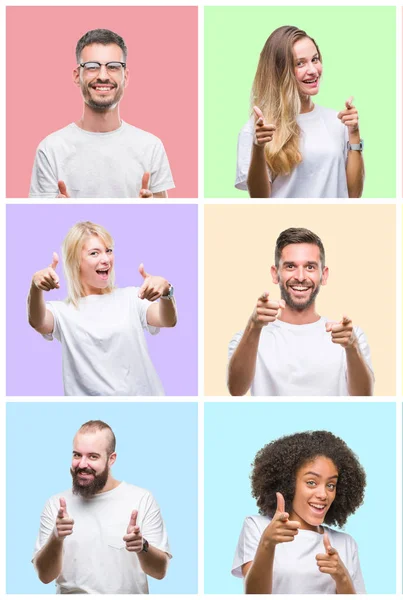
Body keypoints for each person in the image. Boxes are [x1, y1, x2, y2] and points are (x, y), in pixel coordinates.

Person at [27, 221, 177, 395]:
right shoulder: (62, 312)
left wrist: (166, 291)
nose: (106, 259)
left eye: (108, 251)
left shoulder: (131, 298)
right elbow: (37, 321)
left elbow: (167, 320)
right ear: (76, 262)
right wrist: (35, 287)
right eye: (94, 253)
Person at [29, 29, 175, 198]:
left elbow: (163, 214)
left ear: (125, 77)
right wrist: (59, 214)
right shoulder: (51, 149)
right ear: (77, 76)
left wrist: (150, 211)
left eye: (113, 67)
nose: (103, 76)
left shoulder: (151, 147)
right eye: (92, 67)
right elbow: (38, 219)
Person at [227, 227, 373, 396]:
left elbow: (365, 399)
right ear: (275, 274)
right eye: (290, 266)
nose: (301, 277)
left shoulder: (350, 337)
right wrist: (254, 326)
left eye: (310, 267)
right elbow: (235, 390)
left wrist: (352, 347)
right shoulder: (246, 339)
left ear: (323, 275)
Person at [33, 420, 170, 593]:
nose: (82, 464)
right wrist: (56, 537)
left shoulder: (141, 499)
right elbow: (44, 576)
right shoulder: (56, 505)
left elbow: (160, 571)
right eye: (77, 455)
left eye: (93, 456)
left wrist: (142, 546)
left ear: (111, 459)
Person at [235, 26, 365, 198]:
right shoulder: (257, 129)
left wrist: (354, 133)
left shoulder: (337, 122)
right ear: (279, 70)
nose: (312, 70)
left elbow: (353, 195)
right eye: (300, 63)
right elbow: (260, 200)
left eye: (315, 59)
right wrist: (258, 148)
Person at [232, 430, 366, 594]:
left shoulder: (345, 543)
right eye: (311, 482)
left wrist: (342, 577)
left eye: (331, 485)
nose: (323, 494)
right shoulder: (258, 527)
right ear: (288, 484)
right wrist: (267, 543)